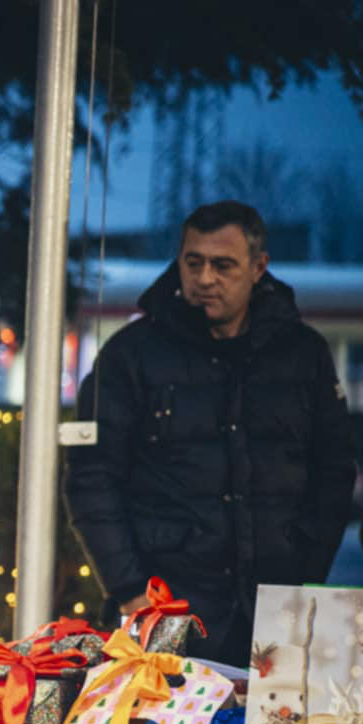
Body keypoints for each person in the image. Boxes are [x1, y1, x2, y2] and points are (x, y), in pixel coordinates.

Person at [64, 200, 359, 666]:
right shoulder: (129, 356)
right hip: (164, 607)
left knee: (280, 718)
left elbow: (335, 468)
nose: (205, 278)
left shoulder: (303, 354)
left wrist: (306, 566)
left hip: (281, 605)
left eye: (223, 265)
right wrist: (129, 589)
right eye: (193, 262)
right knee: (158, 718)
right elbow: (91, 478)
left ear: (258, 267)